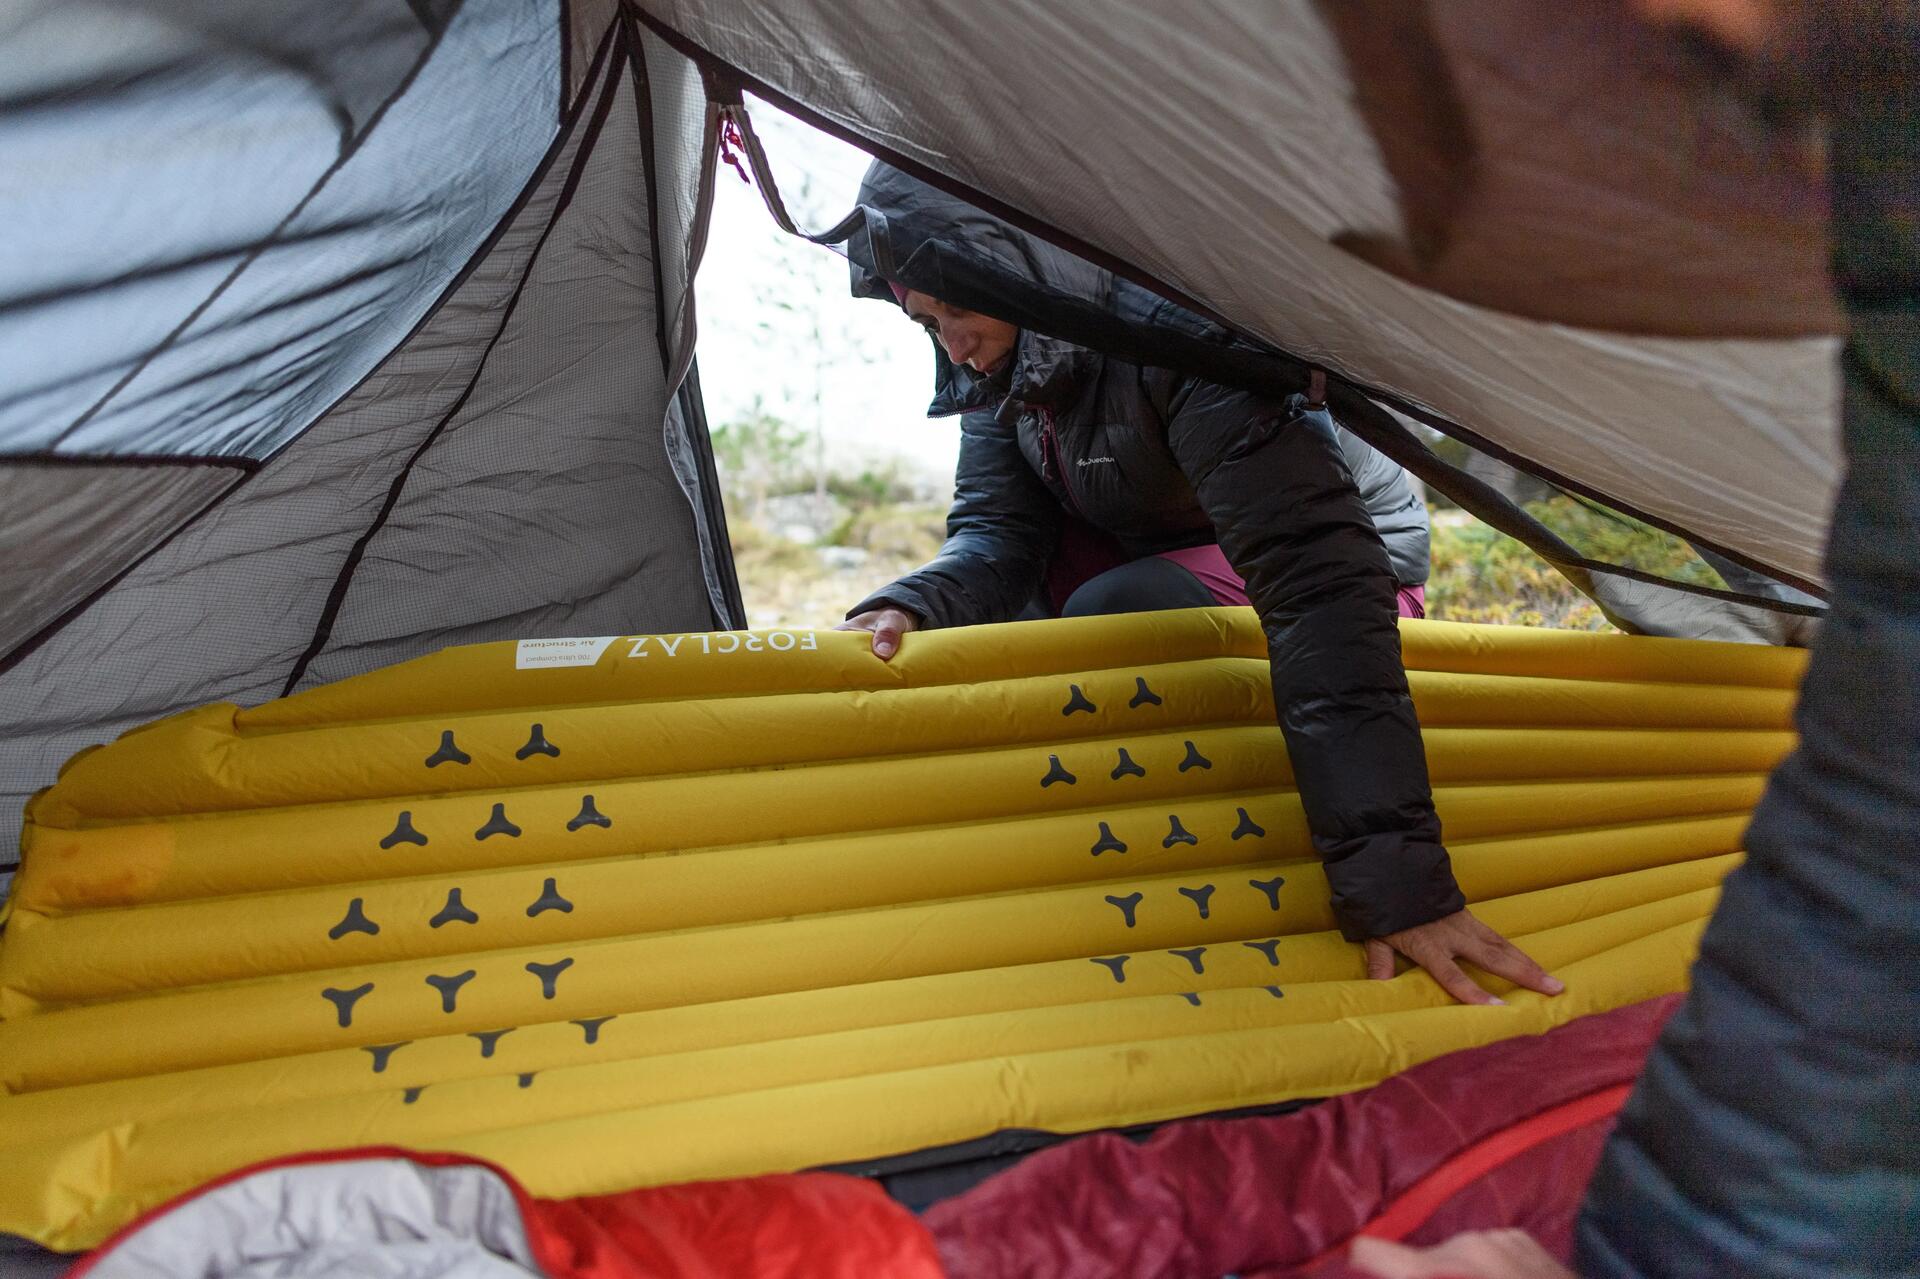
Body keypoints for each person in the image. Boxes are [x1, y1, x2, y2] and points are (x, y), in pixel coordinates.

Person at [833, 162, 1565, 1007]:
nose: (951, 345)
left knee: (1113, 612)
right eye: (927, 322)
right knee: (1006, 620)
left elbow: (1317, 583)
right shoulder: (1000, 370)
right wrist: (908, 602)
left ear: (1017, 264)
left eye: (957, 307)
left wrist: (1400, 887)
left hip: (1348, 558)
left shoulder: (1178, 329)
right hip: (1165, 540)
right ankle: (1058, 857)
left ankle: (1204, 859)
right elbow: (1000, 536)